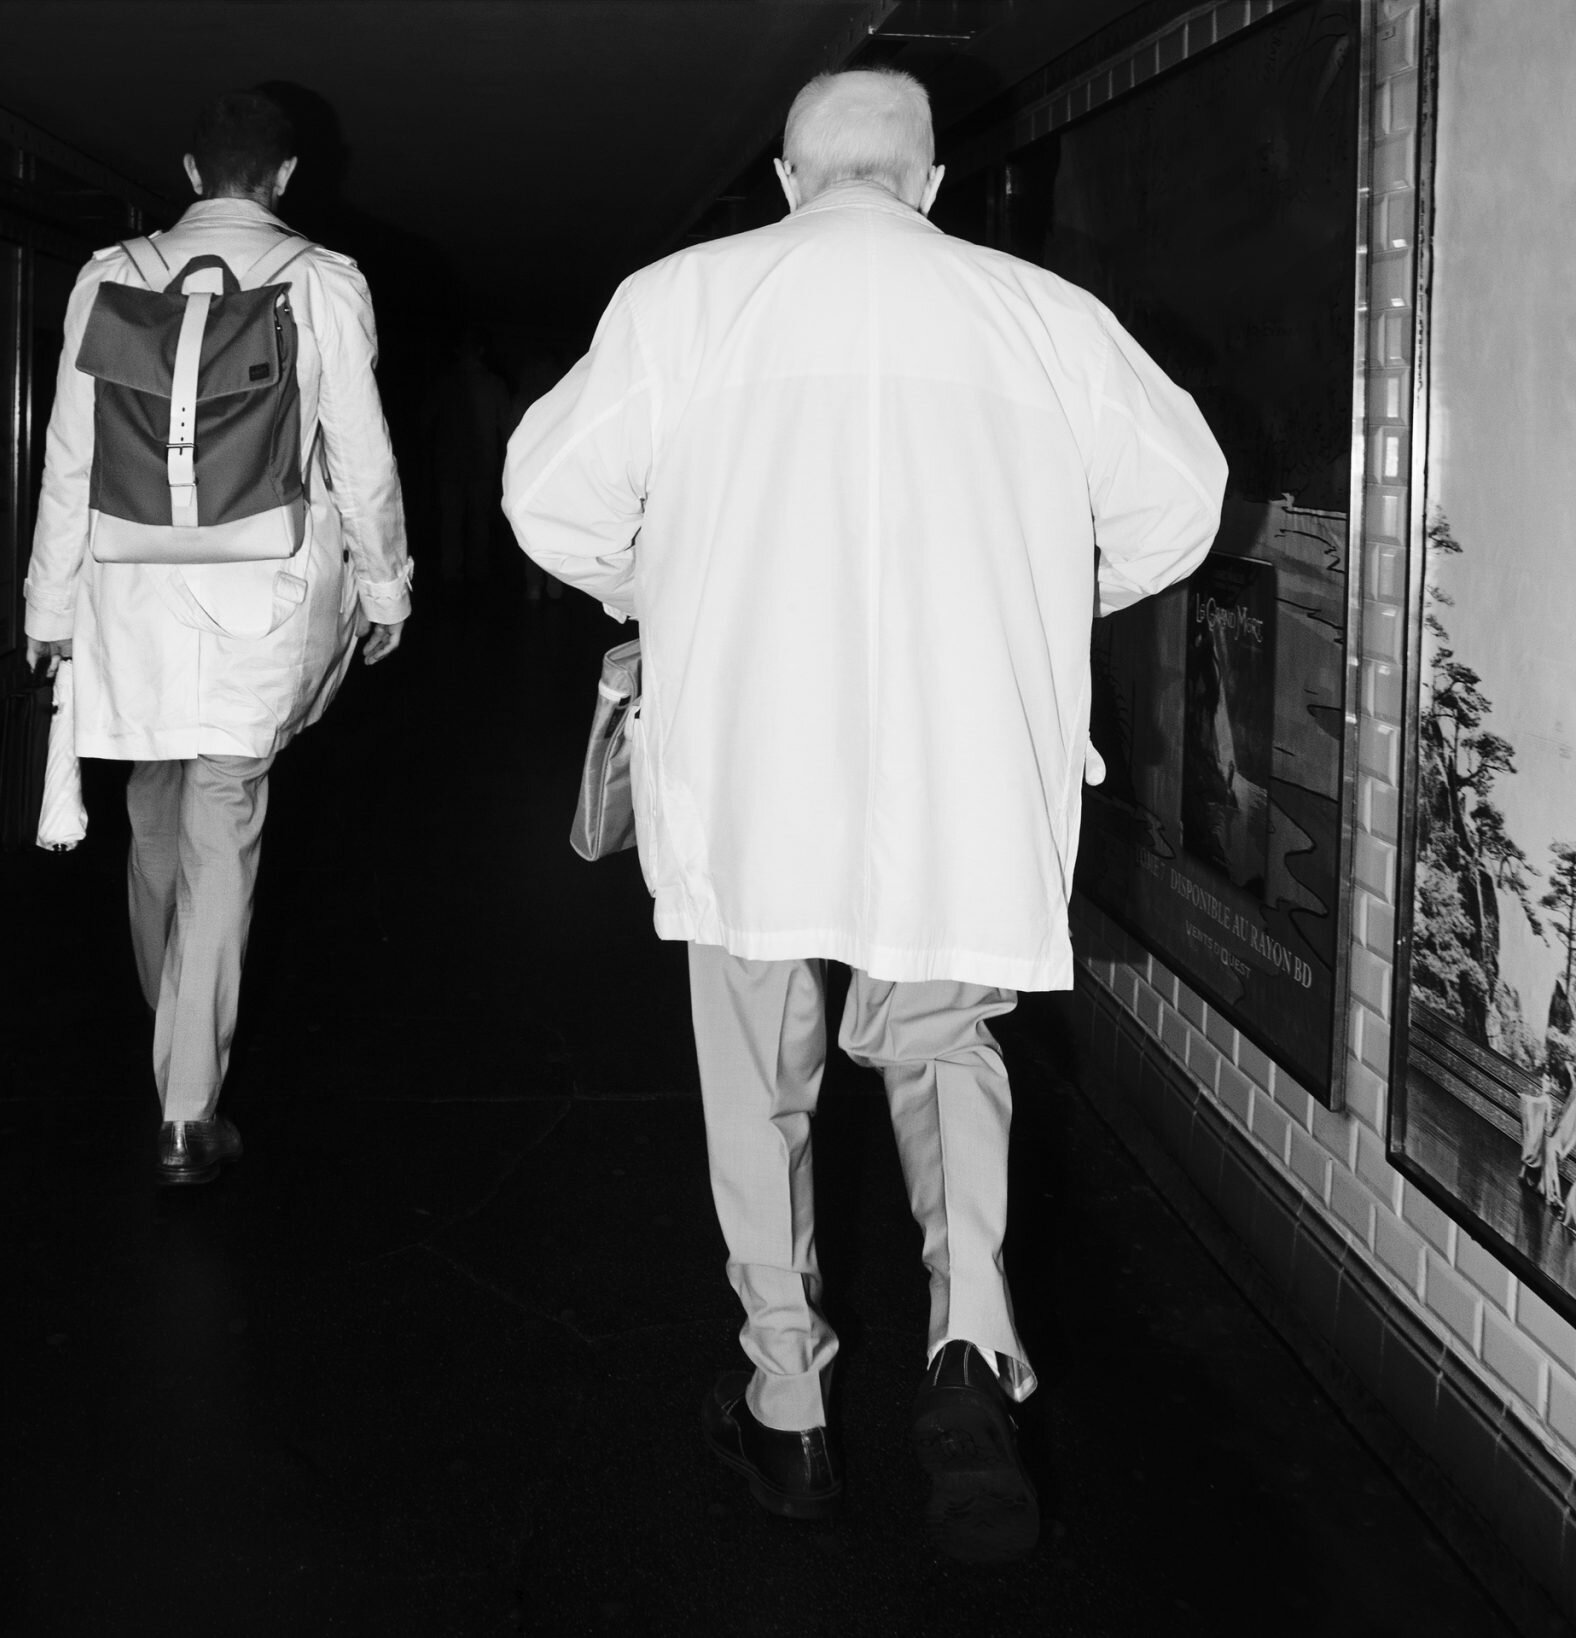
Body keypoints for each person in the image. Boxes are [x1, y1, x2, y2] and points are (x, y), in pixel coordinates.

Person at [503, 68, 1224, 1560]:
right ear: (934, 184)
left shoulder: (681, 303)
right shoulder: (1043, 317)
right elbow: (1183, 500)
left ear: (783, 178)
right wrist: (1038, 592)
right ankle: (971, 1344)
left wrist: (673, 590)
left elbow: (546, 500)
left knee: (758, 1075)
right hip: (960, 768)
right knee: (944, 1044)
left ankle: (791, 1407)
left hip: (752, 766)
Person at [24, 89, 413, 1186]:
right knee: (221, 821)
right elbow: (362, 455)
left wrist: (46, 612)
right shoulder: (322, 281)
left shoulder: (108, 276)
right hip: (261, 600)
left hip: (131, 599)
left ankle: (179, 1034)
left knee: (157, 806)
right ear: (284, 178)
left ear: (191, 170)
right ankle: (188, 1106)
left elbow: (69, 458)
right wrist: (386, 589)